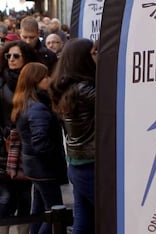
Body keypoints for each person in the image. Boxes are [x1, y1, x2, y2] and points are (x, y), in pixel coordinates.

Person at [0, 40, 39, 234]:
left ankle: (23, 231)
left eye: (16, 56)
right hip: (6, 146)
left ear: (26, 58)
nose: (11, 60)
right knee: (5, 196)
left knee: (24, 196)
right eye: (8, 56)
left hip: (28, 145)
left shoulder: (33, 81)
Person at [10, 62, 68, 234]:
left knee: (40, 211)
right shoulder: (37, 108)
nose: (48, 80)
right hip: (44, 168)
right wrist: (56, 159)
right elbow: (41, 142)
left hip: (35, 167)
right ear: (35, 81)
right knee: (55, 214)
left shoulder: (27, 103)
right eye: (45, 77)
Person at [49, 38, 97, 234]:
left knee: (83, 222)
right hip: (91, 165)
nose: (97, 56)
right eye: (94, 52)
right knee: (107, 217)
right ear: (83, 58)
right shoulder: (85, 89)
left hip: (78, 163)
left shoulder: (67, 88)